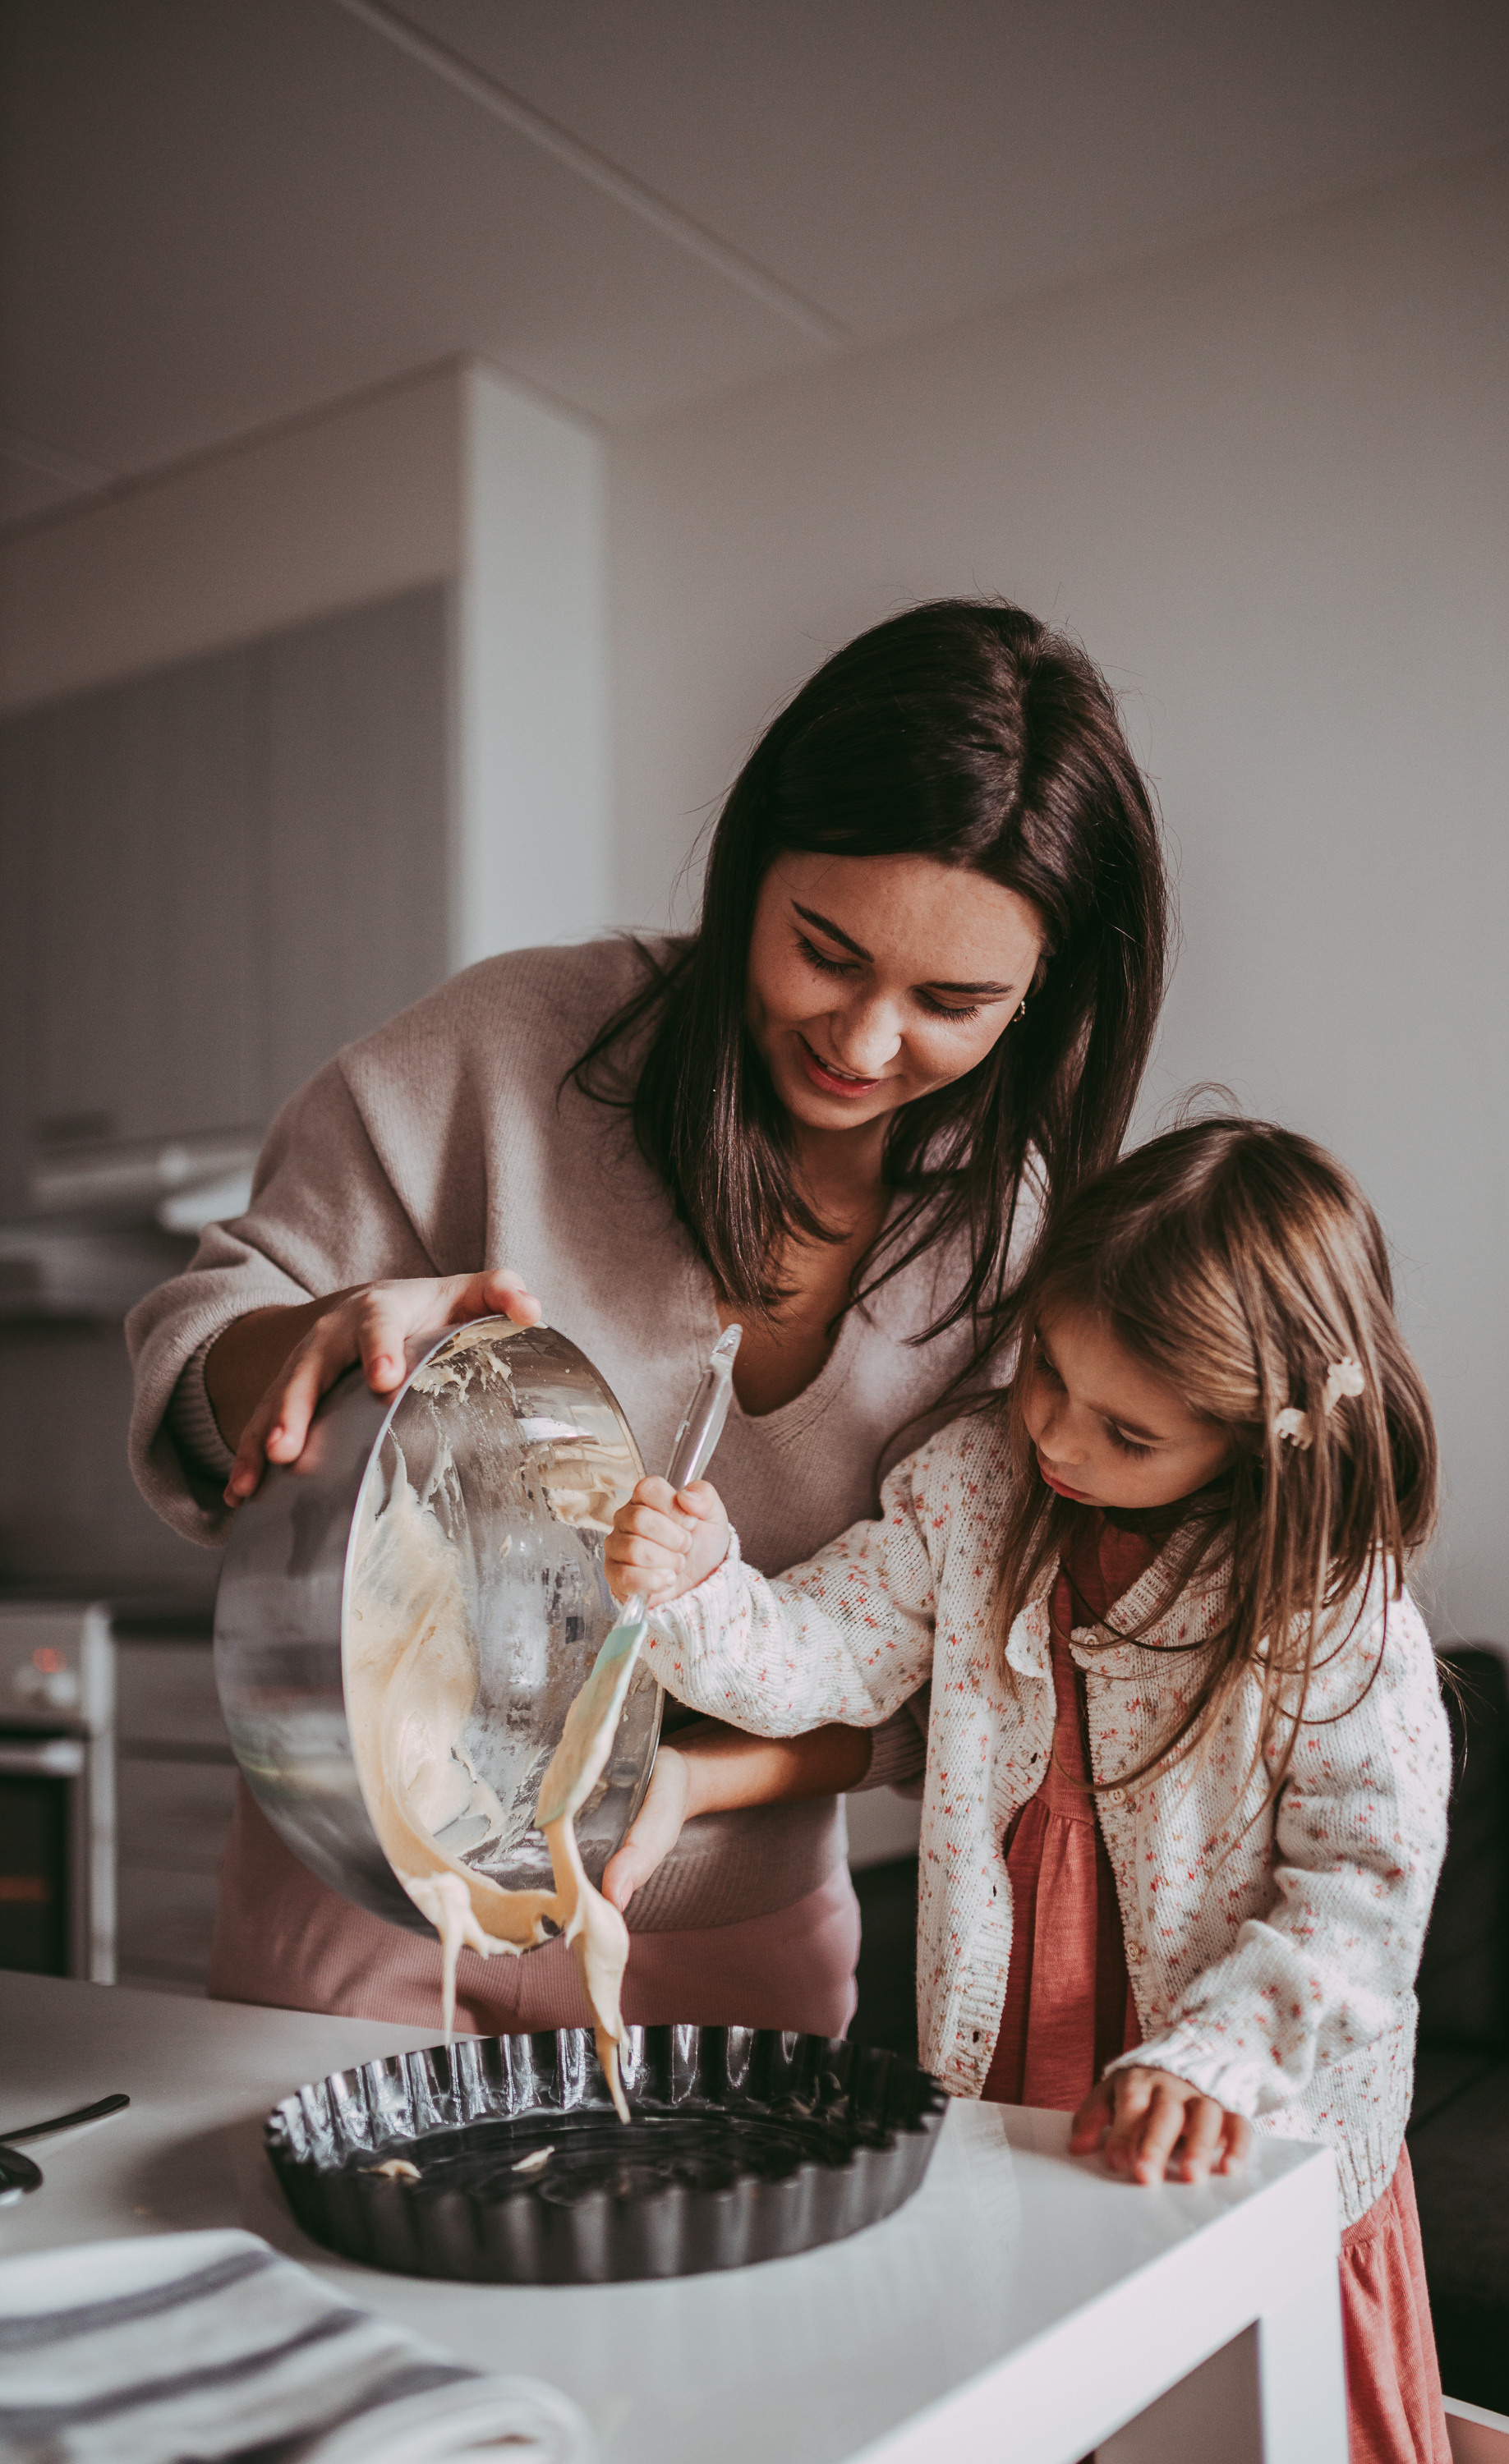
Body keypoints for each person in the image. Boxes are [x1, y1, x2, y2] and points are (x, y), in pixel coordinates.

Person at [127, 597, 1171, 2039]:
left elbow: (956, 1673)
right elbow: (203, 1333)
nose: (865, 1044)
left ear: (1042, 994)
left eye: (949, 998)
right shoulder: (510, 1049)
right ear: (751, 869)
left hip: (738, 1946)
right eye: (824, 947)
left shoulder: (1028, 1253)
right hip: (368, 1911)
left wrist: (689, 1786)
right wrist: (308, 1341)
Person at [606, 1116, 1452, 2464]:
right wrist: (703, 1589)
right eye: (1046, 1369)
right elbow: (824, 1654)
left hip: (1234, 2116)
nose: (1055, 1432)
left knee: (1233, 2422)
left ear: (1256, 1444)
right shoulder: (971, 1487)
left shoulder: (1326, 1606)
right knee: (1038, 2390)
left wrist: (1220, 2053)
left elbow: (1365, 1897)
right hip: (1012, 2070)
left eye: (1128, 1431)